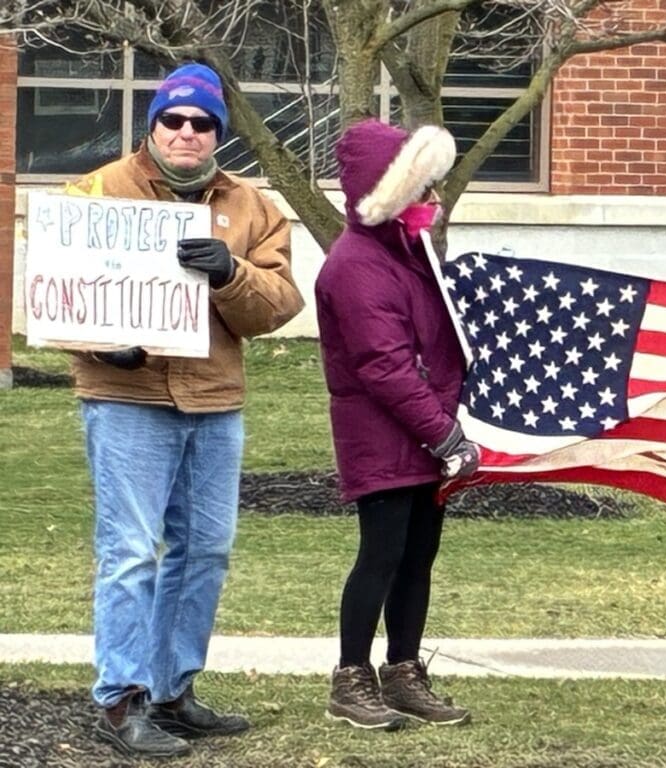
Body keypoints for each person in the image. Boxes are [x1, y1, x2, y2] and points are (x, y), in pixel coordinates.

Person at [67, 62, 304, 757]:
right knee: (132, 552)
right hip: (127, 399)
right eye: (174, 119)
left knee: (205, 551)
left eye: (203, 123)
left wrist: (231, 275)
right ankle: (121, 699)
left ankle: (172, 691)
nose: (188, 133)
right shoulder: (98, 191)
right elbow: (51, 288)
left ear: (219, 133)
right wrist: (101, 344)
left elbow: (280, 305)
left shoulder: (252, 208)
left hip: (214, 399)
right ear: (154, 124)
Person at [315, 118, 479, 731]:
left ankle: (404, 672)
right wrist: (444, 434)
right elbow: (383, 366)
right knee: (381, 554)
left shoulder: (410, 255)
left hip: (425, 432)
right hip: (385, 436)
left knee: (418, 554)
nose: (434, 200)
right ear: (389, 193)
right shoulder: (355, 265)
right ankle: (350, 677)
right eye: (422, 188)